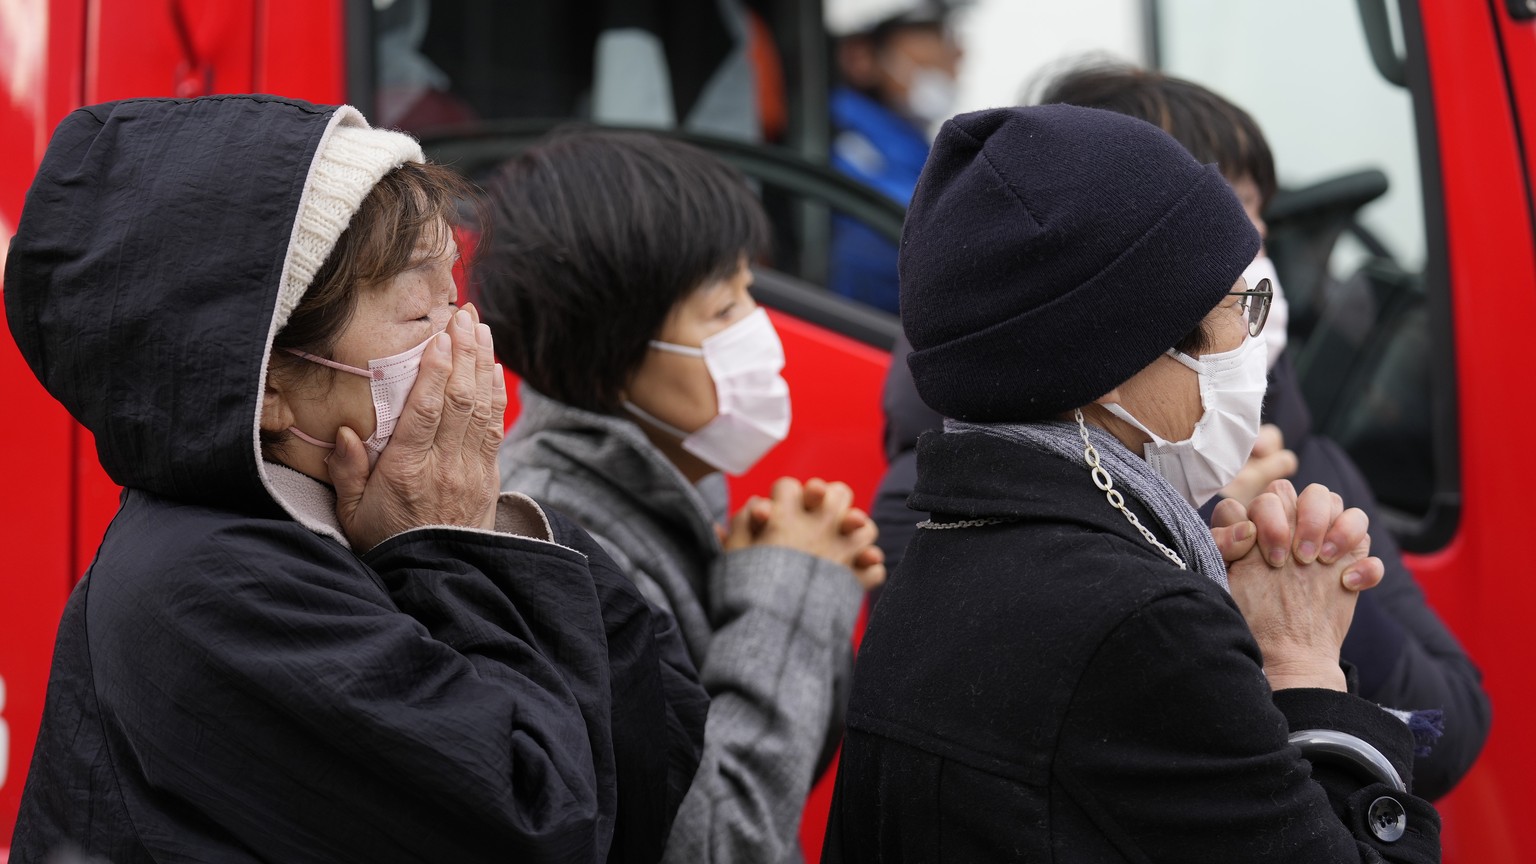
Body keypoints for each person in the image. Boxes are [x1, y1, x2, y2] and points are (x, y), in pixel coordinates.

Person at [4, 95, 708, 863]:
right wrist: (458, 549)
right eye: (417, 317)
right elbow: (541, 824)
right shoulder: (212, 587)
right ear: (265, 381)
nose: (466, 342)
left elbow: (658, 723)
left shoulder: (354, 519)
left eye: (455, 293)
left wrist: (481, 524)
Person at [825, 105, 1440, 861]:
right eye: (1233, 313)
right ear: (1116, 358)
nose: (1254, 348)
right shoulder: (1141, 626)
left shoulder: (946, 549)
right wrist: (1299, 664)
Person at [1027, 63, 1488, 801]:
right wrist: (1190, 537)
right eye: (1218, 212)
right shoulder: (961, 488)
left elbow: (1445, 727)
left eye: (1256, 218)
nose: (1254, 250)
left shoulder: (1300, 452)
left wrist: (1307, 571)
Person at [475, 128, 883, 864]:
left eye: (749, 290)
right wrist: (788, 597)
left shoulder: (665, 484)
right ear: (613, 345)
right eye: (723, 310)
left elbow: (775, 780)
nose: (759, 330)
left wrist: (798, 591)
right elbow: (723, 842)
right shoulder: (560, 543)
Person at [825, 0, 963, 312]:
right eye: (933, 35)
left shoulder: (907, 144)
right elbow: (928, 228)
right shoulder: (838, 140)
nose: (957, 55)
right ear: (859, 57)